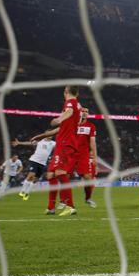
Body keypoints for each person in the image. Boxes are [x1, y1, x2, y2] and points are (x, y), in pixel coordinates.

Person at [33, 106, 99, 208]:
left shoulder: (91, 126)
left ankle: (88, 198)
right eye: (83, 111)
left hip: (83, 156)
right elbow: (52, 132)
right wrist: (40, 136)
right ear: (79, 113)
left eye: (87, 111)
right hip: (70, 154)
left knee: (88, 177)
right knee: (64, 176)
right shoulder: (70, 124)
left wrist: (94, 157)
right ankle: (63, 201)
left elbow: (93, 143)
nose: (85, 113)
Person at [45, 86, 83, 216]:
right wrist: (42, 136)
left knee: (60, 172)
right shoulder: (77, 104)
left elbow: (69, 112)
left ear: (66, 92)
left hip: (65, 141)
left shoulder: (70, 102)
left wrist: (59, 119)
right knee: (51, 174)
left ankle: (70, 206)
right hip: (65, 140)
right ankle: (51, 207)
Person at [12, 136, 55, 200]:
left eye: (51, 135)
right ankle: (22, 191)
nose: (50, 136)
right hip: (34, 160)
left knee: (35, 179)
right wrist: (19, 143)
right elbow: (30, 143)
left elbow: (60, 146)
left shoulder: (53, 143)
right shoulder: (40, 141)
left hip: (43, 163)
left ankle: (27, 193)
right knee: (31, 175)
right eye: (49, 134)